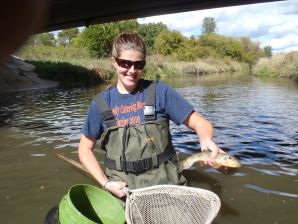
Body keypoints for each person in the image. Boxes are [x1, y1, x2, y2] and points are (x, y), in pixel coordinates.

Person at [78, 32, 225, 198]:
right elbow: (84, 149)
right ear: (114, 62)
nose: (132, 70)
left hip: (167, 188)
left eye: (138, 64)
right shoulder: (100, 103)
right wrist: (105, 183)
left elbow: (200, 123)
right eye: (125, 63)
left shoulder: (160, 92)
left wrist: (206, 139)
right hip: (123, 193)